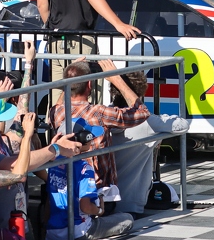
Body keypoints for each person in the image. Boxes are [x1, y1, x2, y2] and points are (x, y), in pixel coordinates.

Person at [47, 59, 150, 198]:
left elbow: (57, 106)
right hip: (98, 192)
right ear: (89, 84)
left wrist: (70, 78)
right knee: (127, 219)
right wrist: (116, 79)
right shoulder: (99, 112)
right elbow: (143, 113)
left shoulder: (56, 112)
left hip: (65, 187)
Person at [108, 71, 189, 216]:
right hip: (130, 205)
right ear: (141, 93)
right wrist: (159, 132)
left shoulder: (102, 114)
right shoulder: (148, 123)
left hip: (100, 203)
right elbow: (182, 125)